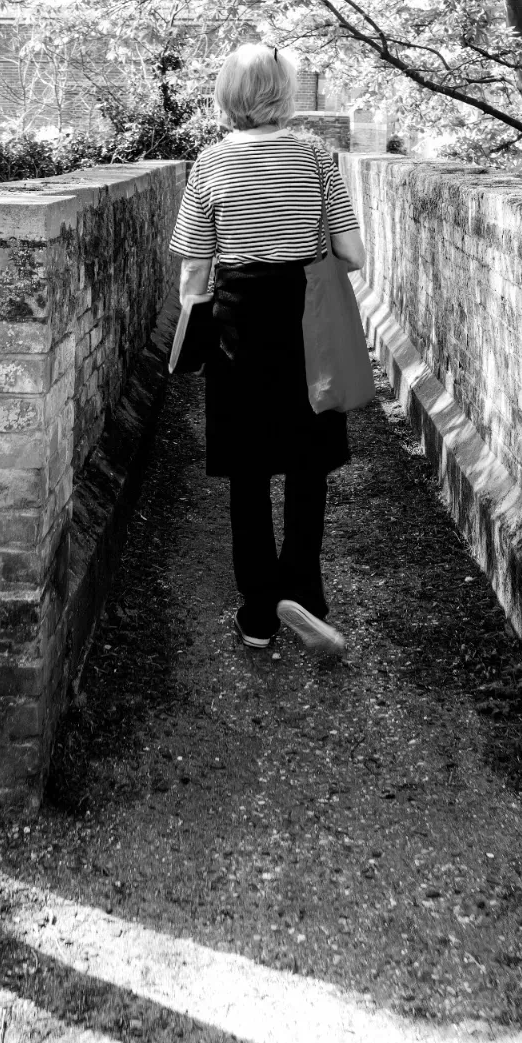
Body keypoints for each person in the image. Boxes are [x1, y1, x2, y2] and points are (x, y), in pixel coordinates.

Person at [169, 42, 367, 657]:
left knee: (247, 473)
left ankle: (257, 614)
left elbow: (192, 278)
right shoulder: (314, 157)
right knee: (309, 466)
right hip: (308, 322)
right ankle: (303, 593)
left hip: (239, 325)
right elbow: (354, 255)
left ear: (229, 95)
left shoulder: (208, 164)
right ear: (284, 91)